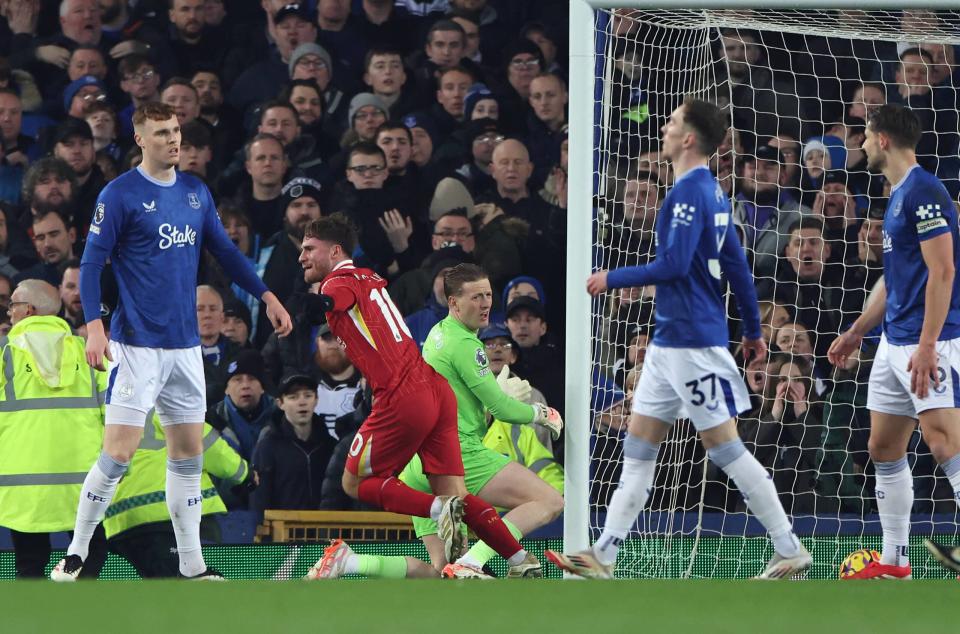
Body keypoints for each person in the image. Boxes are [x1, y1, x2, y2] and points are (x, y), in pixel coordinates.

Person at [547, 99, 811, 580]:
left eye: (671, 123)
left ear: (689, 138)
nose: (664, 128)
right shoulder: (713, 193)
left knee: (726, 449)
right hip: (670, 344)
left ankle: (789, 548)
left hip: (693, 342)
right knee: (639, 446)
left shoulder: (689, 194)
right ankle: (603, 554)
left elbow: (674, 266)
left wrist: (613, 277)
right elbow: (736, 267)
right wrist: (752, 330)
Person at [52, 103, 293, 582]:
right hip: (136, 344)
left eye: (177, 131)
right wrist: (96, 326)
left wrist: (266, 295)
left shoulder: (194, 193)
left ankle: (192, 566)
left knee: (188, 455)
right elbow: (93, 262)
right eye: (162, 132)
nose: (173, 140)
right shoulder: (119, 195)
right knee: (118, 453)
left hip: (183, 347)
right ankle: (76, 554)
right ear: (141, 139)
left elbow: (225, 251)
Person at [296, 214, 537, 570]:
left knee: (354, 482)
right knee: (455, 493)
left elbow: (332, 301)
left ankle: (439, 511)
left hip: (401, 395)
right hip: (435, 392)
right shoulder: (369, 278)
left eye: (308, 249)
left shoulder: (339, 280)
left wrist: (312, 306)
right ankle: (521, 560)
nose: (301, 257)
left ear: (334, 251)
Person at [828, 104, 960, 579]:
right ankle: (894, 562)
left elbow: (943, 271)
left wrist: (926, 346)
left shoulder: (925, 192)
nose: (859, 143)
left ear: (883, 139)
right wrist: (858, 329)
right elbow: (896, 279)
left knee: (944, 443)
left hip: (932, 340)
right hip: (891, 341)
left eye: (864, 134)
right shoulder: (898, 195)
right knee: (883, 448)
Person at [0, 279, 106, 578]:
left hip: (23, 489)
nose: (9, 313)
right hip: (83, 484)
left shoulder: (4, 355)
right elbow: (113, 414)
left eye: (12, 306)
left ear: (28, 310)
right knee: (91, 554)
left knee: (29, 565)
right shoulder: (89, 354)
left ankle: (34, 621)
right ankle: (76, 616)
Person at [250, 374, 338, 518]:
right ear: (280, 403)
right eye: (293, 397)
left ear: (316, 400)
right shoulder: (268, 446)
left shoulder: (330, 446)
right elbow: (259, 499)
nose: (302, 402)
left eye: (308, 396)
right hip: (283, 534)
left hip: (325, 534)